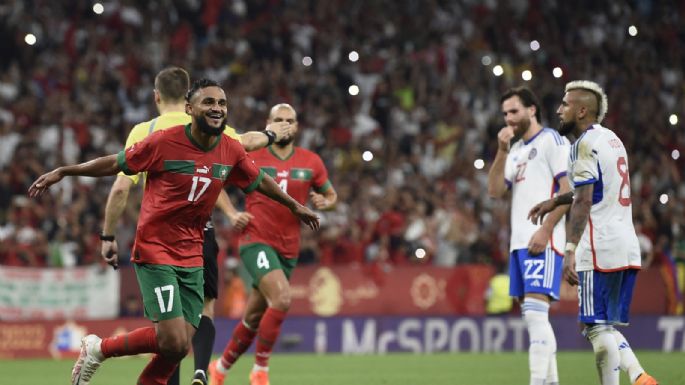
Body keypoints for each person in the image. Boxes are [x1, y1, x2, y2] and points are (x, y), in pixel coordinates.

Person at [28, 78, 320, 385]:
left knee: (179, 345)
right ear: (189, 108)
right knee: (171, 340)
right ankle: (99, 349)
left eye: (221, 103)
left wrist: (294, 206)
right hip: (156, 249)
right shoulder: (163, 142)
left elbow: (259, 180)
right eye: (208, 102)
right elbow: (115, 164)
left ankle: (98, 348)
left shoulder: (230, 149)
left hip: (192, 253)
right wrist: (64, 171)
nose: (217, 108)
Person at [101, 66, 292, 385]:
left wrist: (108, 235)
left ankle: (160, 374)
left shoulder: (146, 131)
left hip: (160, 239)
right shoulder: (217, 128)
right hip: (200, 234)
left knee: (168, 326)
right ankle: (202, 371)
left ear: (157, 96)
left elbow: (121, 187)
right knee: (203, 309)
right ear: (189, 96)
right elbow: (244, 144)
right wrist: (271, 134)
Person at [528, 80, 658, 385]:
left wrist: (570, 249)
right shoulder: (612, 139)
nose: (559, 110)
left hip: (598, 246)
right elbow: (590, 190)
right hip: (625, 245)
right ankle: (639, 376)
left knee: (596, 329)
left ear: (582, 110)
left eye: (565, 104)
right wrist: (556, 200)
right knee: (602, 325)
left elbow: (585, 200)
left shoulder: (582, 145)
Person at [208, 103, 337, 385]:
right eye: (278, 119)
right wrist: (231, 213)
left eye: (289, 120)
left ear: (297, 125)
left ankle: (220, 369)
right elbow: (214, 182)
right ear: (268, 122)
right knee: (282, 298)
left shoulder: (311, 161)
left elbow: (331, 195)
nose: (283, 124)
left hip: (288, 248)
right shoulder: (252, 154)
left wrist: (324, 202)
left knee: (254, 317)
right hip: (256, 240)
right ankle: (260, 371)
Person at [487, 86, 570, 385]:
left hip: (542, 240)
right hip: (520, 243)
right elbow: (495, 191)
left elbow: (568, 191)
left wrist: (546, 230)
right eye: (505, 113)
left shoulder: (551, 140)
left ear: (531, 109)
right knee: (535, 318)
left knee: (535, 316)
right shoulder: (517, 151)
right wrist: (501, 150)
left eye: (514, 111)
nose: (508, 118)